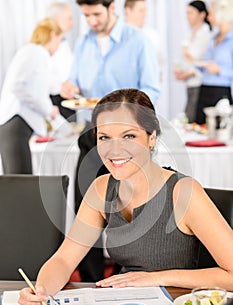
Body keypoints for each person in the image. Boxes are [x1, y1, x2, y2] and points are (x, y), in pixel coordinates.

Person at [18, 88, 233, 305]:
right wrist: (40, 291)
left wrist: (154, 278)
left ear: (151, 138)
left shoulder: (184, 193)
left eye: (129, 136)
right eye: (104, 138)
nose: (114, 149)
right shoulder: (101, 189)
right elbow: (64, 260)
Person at [61, 0, 160, 282]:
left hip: (129, 138)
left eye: (96, 14)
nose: (91, 20)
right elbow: (75, 82)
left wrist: (124, 112)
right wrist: (69, 87)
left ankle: (125, 276)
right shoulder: (83, 43)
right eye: (86, 15)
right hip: (92, 135)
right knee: (85, 208)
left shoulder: (137, 40)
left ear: (111, 7)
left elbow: (152, 88)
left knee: (132, 208)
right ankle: (93, 281)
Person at [0, 18, 62, 174]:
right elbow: (19, 87)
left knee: (20, 180)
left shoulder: (32, 53)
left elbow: (40, 86)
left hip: (15, 126)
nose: (58, 47)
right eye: (59, 41)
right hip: (15, 125)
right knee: (19, 183)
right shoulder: (36, 52)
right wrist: (48, 110)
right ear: (53, 35)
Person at [195, 0, 233, 124]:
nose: (208, 17)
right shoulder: (213, 37)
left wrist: (219, 70)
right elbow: (207, 62)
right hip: (204, 88)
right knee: (199, 127)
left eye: (211, 14)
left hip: (221, 91)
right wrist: (198, 64)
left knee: (218, 133)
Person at [175, 1, 212, 123]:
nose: (187, 16)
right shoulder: (190, 33)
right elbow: (186, 59)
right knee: (189, 118)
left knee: (193, 118)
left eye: (191, 13)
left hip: (200, 83)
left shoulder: (207, 34)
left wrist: (189, 73)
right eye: (187, 13)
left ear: (202, 14)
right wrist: (180, 71)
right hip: (190, 83)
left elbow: (205, 60)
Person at [47, 2, 75, 120]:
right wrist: (60, 87)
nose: (72, 23)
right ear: (56, 18)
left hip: (68, 98)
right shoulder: (46, 43)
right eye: (69, 18)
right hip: (54, 101)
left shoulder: (63, 42)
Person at [124, 0, 164, 81]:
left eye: (145, 10)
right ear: (128, 11)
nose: (145, 14)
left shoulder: (152, 35)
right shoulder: (117, 36)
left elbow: (159, 63)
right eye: (141, 11)